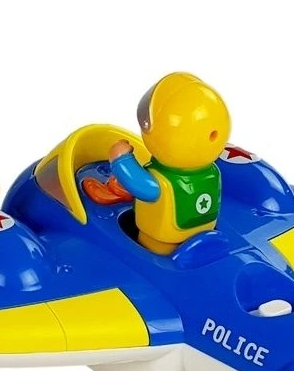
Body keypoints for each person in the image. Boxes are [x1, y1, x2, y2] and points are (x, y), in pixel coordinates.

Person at [84, 72, 231, 255]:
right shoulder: (212, 173)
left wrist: (120, 159)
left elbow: (138, 183)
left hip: (158, 246)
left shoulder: (162, 182)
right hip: (205, 237)